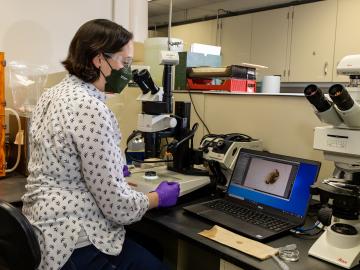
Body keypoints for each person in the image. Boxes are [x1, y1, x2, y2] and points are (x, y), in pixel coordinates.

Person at [22, 19, 180, 270]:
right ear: (98, 60)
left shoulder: (52, 94)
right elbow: (118, 208)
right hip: (74, 240)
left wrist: (112, 169)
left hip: (42, 229)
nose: (127, 71)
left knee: (153, 248)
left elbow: (65, 159)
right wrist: (157, 197)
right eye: (124, 62)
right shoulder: (90, 107)